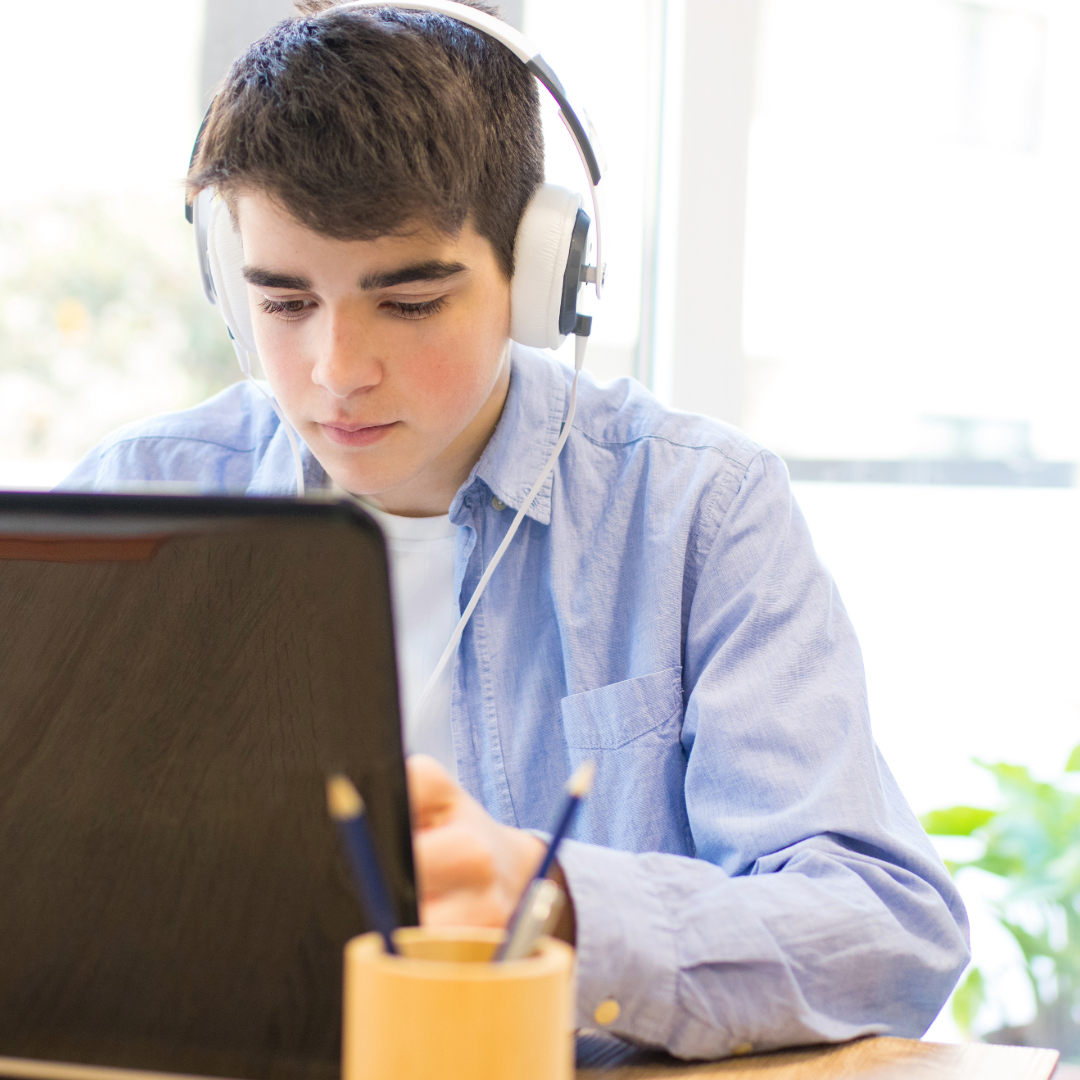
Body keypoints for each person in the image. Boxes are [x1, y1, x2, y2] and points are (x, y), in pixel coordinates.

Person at [61, 0, 969, 1059]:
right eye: (284, 300)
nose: (336, 370)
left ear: (541, 280)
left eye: (409, 302)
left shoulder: (697, 514)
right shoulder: (139, 504)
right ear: (229, 280)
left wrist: (562, 908)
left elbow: (886, 930)